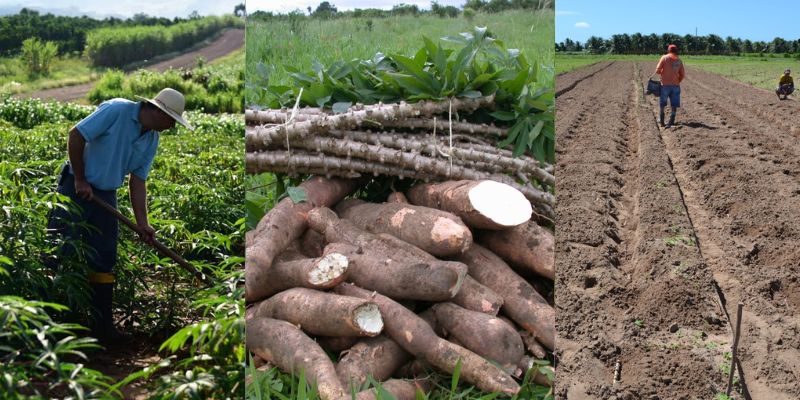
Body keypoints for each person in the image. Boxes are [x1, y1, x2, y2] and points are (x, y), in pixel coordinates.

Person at [46, 88, 193, 344]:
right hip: (75, 187)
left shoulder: (151, 139)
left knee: (104, 258)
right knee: (59, 249)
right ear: (157, 111)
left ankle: (101, 327)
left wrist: (143, 224)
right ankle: (42, 322)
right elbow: (76, 135)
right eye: (171, 119)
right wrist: (80, 179)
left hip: (105, 195)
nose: (172, 126)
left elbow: (138, 182)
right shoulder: (117, 110)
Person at [655, 44, 686, 128]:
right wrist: (677, 81)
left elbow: (657, 70)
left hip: (664, 85)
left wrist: (663, 72)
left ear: (668, 50)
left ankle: (662, 121)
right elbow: (682, 74)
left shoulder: (664, 57)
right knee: (674, 104)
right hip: (675, 85)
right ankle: (672, 121)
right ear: (676, 51)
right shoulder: (679, 60)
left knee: (662, 103)